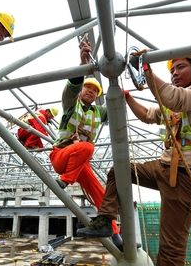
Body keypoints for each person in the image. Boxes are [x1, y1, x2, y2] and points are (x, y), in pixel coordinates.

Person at [77, 37, 191, 265]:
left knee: (170, 250)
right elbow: (148, 115)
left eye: (181, 67)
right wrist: (128, 99)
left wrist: (145, 68)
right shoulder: (176, 102)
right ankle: (106, 219)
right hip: (165, 167)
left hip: (187, 177)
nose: (174, 73)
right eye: (172, 69)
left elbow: (176, 99)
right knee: (120, 171)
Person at [49, 40, 123, 250]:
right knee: (88, 148)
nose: (90, 91)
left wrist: (116, 78)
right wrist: (82, 64)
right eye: (87, 88)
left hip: (80, 162)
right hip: (62, 156)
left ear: (97, 96)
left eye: (94, 90)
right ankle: (64, 181)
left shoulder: (99, 112)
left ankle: (115, 236)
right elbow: (72, 87)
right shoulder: (71, 104)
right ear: (82, 91)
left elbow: (116, 103)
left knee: (99, 192)